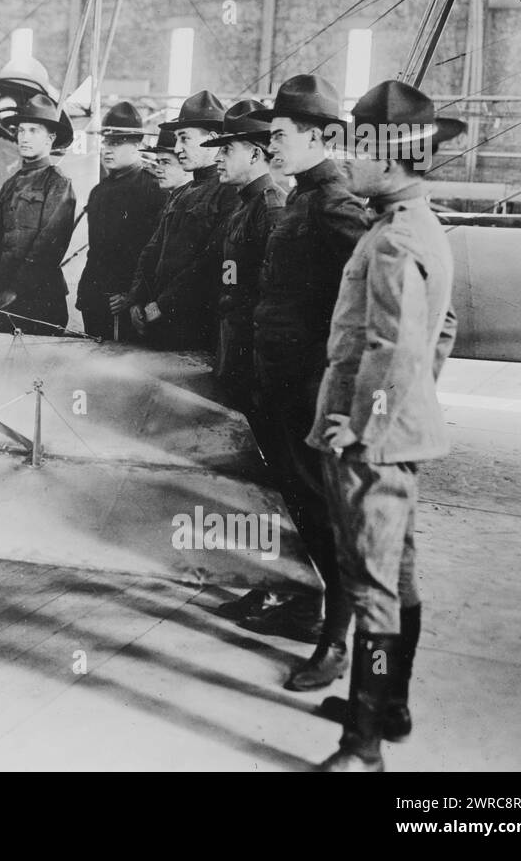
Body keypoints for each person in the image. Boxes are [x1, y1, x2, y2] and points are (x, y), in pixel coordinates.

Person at [306, 81, 461, 772]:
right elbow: (439, 336)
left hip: (374, 440)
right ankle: (389, 706)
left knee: (370, 584)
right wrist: (411, 408)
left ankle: (361, 745)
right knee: (397, 574)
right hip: (404, 431)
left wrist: (363, 429)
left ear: (389, 161)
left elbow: (391, 348)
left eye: (355, 150)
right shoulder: (418, 223)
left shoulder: (396, 241)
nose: (347, 161)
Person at [240, 75, 372, 694]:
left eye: (281, 135)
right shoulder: (298, 198)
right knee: (306, 512)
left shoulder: (333, 204)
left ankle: (336, 642)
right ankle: (317, 614)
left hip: (311, 391)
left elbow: (369, 301)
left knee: (329, 518)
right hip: (282, 386)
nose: (272, 146)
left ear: (319, 137)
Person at [202, 100, 288, 623]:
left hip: (256, 357)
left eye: (227, 149)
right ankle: (262, 582)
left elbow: (271, 295)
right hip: (235, 348)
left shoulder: (271, 206)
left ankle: (280, 588)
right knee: (252, 479)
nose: (219, 158)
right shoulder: (243, 204)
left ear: (255, 154)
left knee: (272, 480)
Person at [128, 91, 239, 350]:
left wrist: (163, 304)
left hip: (195, 327)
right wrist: (137, 298)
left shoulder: (228, 192)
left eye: (184, 138)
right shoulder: (184, 192)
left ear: (212, 140)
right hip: (158, 321)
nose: (178, 148)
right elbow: (151, 250)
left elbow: (212, 263)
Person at [0, 92, 77, 336]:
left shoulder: (58, 184)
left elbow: (49, 246)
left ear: (50, 138)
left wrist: (15, 289)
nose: (24, 137)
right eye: (21, 131)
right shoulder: (11, 184)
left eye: (34, 131)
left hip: (41, 299)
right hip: (6, 300)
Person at [76, 102, 167, 341]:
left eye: (116, 143)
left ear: (137, 144)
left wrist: (132, 295)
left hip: (126, 303)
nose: (107, 149)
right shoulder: (99, 190)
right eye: (105, 141)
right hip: (94, 297)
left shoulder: (153, 188)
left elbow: (155, 253)